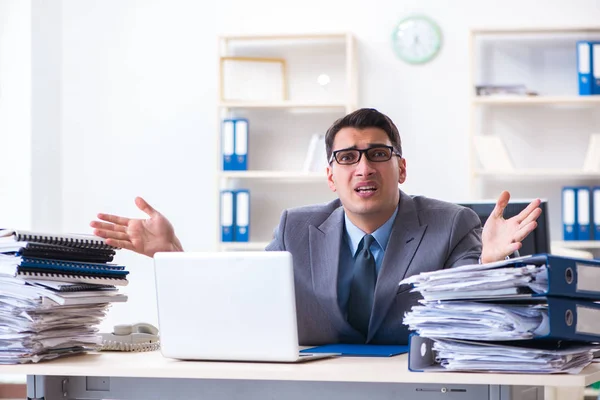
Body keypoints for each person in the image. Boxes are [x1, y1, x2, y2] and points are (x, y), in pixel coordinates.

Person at [91, 108, 541, 345]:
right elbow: (244, 301)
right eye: (348, 157)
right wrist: (172, 256)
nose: (363, 167)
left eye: (378, 154)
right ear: (331, 176)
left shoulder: (451, 223)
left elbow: (470, 306)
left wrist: (486, 261)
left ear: (401, 169)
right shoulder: (296, 228)